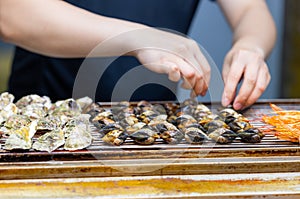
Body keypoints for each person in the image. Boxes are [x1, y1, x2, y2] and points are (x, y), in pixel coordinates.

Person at [0, 0, 276, 110]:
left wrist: (251, 46)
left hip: (153, 127)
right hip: (50, 121)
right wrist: (136, 37)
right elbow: (10, 15)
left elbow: (250, 10)